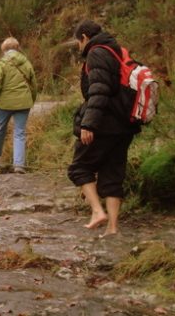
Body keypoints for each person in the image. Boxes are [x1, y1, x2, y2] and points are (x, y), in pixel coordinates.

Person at [67, 20, 141, 237]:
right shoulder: (117, 50)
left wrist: (88, 124)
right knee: (113, 173)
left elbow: (99, 91)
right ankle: (112, 227)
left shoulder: (97, 53)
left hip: (104, 123)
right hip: (124, 125)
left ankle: (97, 211)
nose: (78, 47)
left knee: (79, 167)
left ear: (84, 37)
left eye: (78, 42)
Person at [0, 37, 37, 174]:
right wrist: (31, 99)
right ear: (17, 47)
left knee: (0, 128)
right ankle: (19, 165)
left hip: (5, 103)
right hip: (23, 102)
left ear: (4, 49)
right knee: (19, 132)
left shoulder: (2, 62)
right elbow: (33, 83)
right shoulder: (26, 62)